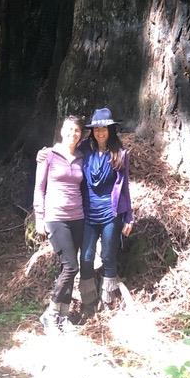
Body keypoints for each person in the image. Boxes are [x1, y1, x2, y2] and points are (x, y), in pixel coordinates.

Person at [77, 107, 134, 316]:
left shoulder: (120, 154)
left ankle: (108, 299)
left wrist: (129, 216)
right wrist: (45, 153)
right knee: (87, 256)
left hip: (111, 213)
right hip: (87, 213)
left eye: (104, 129)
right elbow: (63, 152)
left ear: (110, 130)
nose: (100, 132)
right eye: (96, 129)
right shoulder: (84, 150)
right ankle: (88, 301)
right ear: (92, 131)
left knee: (109, 255)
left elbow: (125, 187)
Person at [33, 115, 85, 333]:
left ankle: (63, 317)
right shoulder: (49, 156)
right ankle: (50, 314)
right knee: (71, 266)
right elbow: (39, 187)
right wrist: (39, 217)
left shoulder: (82, 157)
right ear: (62, 130)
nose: (73, 133)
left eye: (77, 130)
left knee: (70, 268)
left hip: (78, 218)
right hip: (56, 217)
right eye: (70, 129)